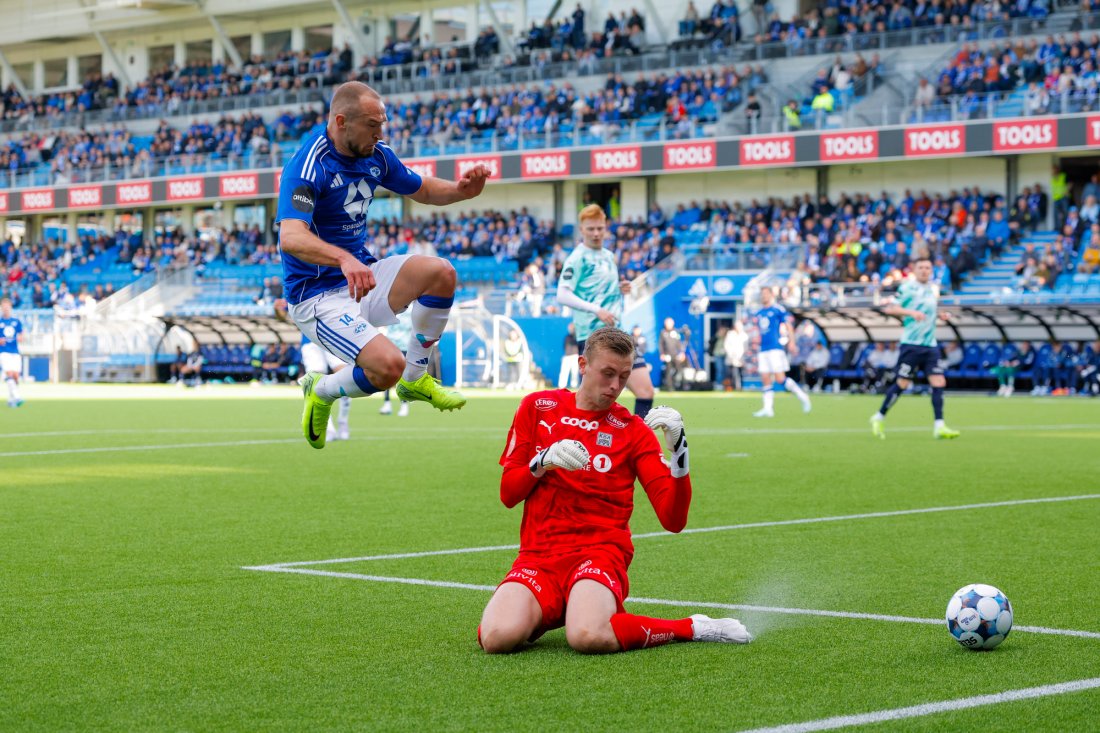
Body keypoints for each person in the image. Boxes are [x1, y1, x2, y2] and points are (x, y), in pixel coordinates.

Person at [477, 327, 752, 654]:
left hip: (599, 552)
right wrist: (542, 461)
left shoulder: (635, 431)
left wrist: (680, 455)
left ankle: (692, 626)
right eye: (607, 373)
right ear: (582, 364)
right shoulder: (538, 407)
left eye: (623, 377)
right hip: (540, 556)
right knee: (496, 637)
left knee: (587, 637)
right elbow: (508, 495)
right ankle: (565, 604)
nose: (615, 387)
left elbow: (673, 520)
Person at [277, 81, 490, 449]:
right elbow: (291, 237)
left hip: (362, 279)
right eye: (373, 125)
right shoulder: (309, 165)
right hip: (317, 297)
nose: (381, 133)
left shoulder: (376, 154)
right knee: (385, 368)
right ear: (342, 122)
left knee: (441, 273)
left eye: (383, 124)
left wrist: (459, 191)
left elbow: (420, 188)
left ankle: (416, 378)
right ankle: (322, 389)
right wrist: (343, 258)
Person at [555, 204, 654, 418]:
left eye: (600, 228)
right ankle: (579, 445)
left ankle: (639, 447)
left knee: (645, 390)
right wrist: (596, 309)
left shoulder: (609, 256)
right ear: (581, 229)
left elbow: (599, 288)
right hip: (593, 337)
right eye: (591, 229)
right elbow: (562, 294)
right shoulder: (577, 258)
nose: (596, 233)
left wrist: (620, 288)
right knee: (595, 401)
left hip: (617, 333)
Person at [870, 254, 960, 440]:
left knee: (938, 382)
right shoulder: (907, 288)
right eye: (921, 268)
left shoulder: (933, 289)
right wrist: (911, 312)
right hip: (911, 344)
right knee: (902, 384)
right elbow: (890, 309)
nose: (925, 271)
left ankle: (939, 426)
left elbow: (930, 312)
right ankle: (879, 416)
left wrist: (941, 315)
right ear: (914, 270)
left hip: (930, 345)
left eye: (928, 268)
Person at [751, 287, 811, 417]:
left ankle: (802, 396)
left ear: (771, 295)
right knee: (765, 378)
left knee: (780, 378)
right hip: (763, 349)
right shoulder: (760, 312)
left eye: (766, 294)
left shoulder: (778, 309)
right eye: (762, 294)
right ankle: (768, 409)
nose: (764, 296)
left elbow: (788, 325)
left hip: (775, 348)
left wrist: (792, 342)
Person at [0, 297, 25, 407]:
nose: (6, 308)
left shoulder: (16, 321)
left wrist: (21, 337)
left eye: (7, 306)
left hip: (15, 351)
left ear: (10, 307)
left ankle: (11, 399)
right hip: (4, 351)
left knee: (15, 376)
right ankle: (17, 396)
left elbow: (21, 333)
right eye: (4, 307)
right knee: (9, 373)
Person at [658, 317, 685, 392]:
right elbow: (660, 344)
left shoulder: (676, 332)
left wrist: (681, 352)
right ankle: (670, 387)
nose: (668, 325)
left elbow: (679, 343)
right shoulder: (663, 332)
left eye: (670, 323)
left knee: (678, 369)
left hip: (675, 354)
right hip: (667, 355)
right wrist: (662, 354)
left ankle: (678, 384)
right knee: (668, 371)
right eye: (667, 323)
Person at [723, 319, 748, 391]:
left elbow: (745, 347)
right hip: (731, 357)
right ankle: (730, 387)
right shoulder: (730, 334)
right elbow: (727, 345)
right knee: (730, 374)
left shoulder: (744, 335)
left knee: (740, 374)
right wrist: (731, 354)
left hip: (740, 358)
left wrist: (741, 356)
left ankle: (740, 387)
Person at [558, 322, 579, 389]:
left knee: (575, 372)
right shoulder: (567, 337)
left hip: (575, 356)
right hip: (567, 356)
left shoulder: (577, 337)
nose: (571, 329)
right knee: (564, 372)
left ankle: (574, 386)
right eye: (570, 328)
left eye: (572, 328)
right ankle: (561, 386)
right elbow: (564, 346)